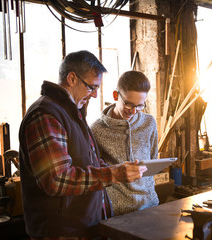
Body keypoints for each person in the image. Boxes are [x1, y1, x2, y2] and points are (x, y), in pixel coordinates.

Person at [18, 51, 147, 240]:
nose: (95, 95)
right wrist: (112, 174)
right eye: (91, 87)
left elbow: (86, 160)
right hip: (62, 233)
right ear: (72, 78)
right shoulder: (46, 115)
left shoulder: (71, 112)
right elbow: (57, 180)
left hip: (82, 228)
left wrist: (116, 169)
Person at [91, 70, 159, 216]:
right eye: (128, 104)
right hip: (117, 211)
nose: (134, 111)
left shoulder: (149, 123)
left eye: (140, 106)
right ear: (116, 96)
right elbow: (97, 173)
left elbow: (153, 160)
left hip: (150, 205)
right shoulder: (96, 129)